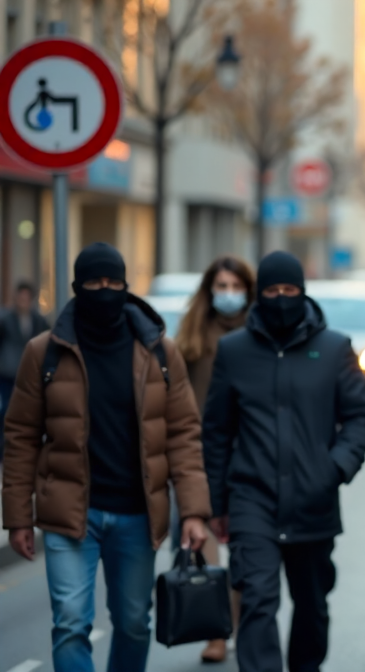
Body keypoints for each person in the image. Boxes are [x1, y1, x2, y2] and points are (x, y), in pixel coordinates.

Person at [2, 243, 210, 672]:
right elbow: (20, 437)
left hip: (137, 513)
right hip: (69, 513)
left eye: (114, 282)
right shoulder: (44, 352)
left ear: (126, 285)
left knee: (133, 623)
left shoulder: (158, 351)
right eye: (94, 282)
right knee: (70, 623)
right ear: (77, 287)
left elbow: (184, 435)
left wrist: (193, 511)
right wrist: (18, 515)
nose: (105, 290)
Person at [203, 251, 365, 672]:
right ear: (259, 295)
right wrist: (217, 504)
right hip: (252, 499)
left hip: (313, 499)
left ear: (302, 291)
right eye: (272, 291)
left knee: (311, 603)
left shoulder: (334, 348)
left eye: (289, 290)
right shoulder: (234, 351)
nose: (281, 298)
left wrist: (334, 468)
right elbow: (217, 432)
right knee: (257, 600)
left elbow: (361, 415)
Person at [174, 255, 255, 663]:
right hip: (199, 455)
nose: (228, 294)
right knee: (204, 543)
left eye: (235, 286)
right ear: (209, 290)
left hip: (247, 454)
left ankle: (237, 623)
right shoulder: (192, 335)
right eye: (221, 286)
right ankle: (217, 632)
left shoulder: (258, 332)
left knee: (241, 545)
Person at [0, 281, 50, 448]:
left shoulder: (38, 320)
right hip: (8, 372)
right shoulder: (5, 319)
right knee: (7, 408)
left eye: (26, 298)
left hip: (30, 372)